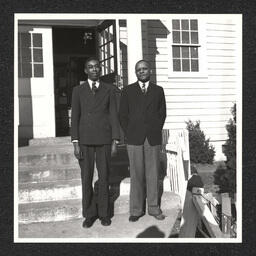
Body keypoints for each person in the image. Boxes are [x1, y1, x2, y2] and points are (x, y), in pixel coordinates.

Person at [71, 57, 120, 228]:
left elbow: (114, 115)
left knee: (104, 177)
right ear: (85, 70)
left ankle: (104, 214)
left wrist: (115, 140)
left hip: (104, 140)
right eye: (90, 67)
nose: (94, 70)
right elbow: (75, 118)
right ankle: (89, 214)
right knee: (86, 178)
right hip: (84, 141)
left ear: (100, 69)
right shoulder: (78, 90)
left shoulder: (109, 89)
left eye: (97, 67)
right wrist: (75, 143)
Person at [119, 60, 166, 222]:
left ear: (150, 71)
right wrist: (130, 131)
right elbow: (122, 115)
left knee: (153, 174)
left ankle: (154, 208)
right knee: (136, 174)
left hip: (152, 138)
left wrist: (154, 128)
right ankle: (136, 210)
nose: (142, 72)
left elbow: (162, 114)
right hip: (134, 138)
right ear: (135, 72)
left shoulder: (158, 91)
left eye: (144, 69)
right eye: (138, 70)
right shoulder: (127, 91)